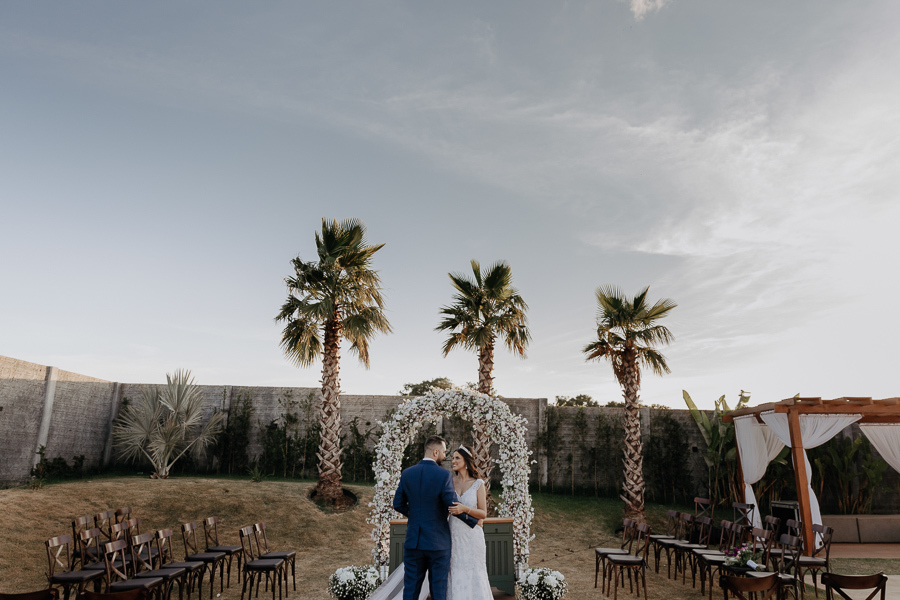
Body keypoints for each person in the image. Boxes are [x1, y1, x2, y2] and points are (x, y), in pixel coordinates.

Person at [390, 435, 478, 600]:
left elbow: (397, 504)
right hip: (438, 543)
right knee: (438, 592)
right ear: (435, 452)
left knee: (410, 591)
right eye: (444, 452)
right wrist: (474, 521)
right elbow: (453, 505)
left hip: (413, 542)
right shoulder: (443, 475)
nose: (445, 456)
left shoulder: (407, 473)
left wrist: (415, 514)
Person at [446, 444, 493, 600]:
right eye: (452, 458)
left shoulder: (478, 483)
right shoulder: (450, 482)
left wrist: (464, 509)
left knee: (474, 573)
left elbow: (483, 513)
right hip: (454, 535)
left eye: (457, 458)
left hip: (472, 537)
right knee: (456, 570)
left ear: (466, 461)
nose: (453, 461)